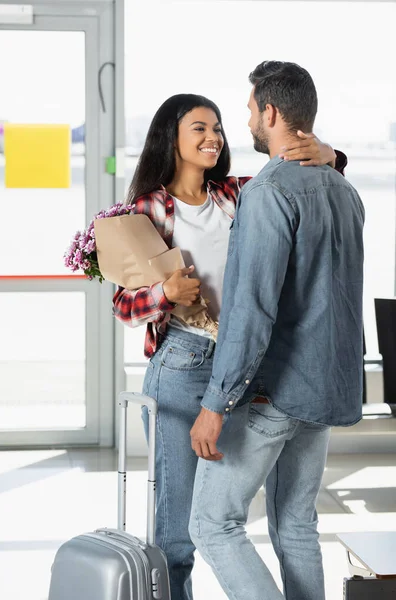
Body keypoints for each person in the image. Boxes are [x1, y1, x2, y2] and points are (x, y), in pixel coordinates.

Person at [113, 92, 346, 600]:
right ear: (170, 138)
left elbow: (299, 180)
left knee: (219, 515)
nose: (213, 137)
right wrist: (164, 294)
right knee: (178, 529)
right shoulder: (147, 208)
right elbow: (123, 305)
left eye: (217, 127)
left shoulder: (240, 193)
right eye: (199, 128)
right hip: (182, 366)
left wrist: (332, 155)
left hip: (241, 369)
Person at [189, 62, 364, 600]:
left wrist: (215, 404)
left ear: (270, 111)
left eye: (248, 110)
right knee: (296, 526)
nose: (244, 121)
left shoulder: (268, 193)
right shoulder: (344, 191)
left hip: (275, 392)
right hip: (327, 387)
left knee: (213, 526)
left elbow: (252, 310)